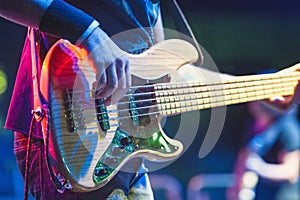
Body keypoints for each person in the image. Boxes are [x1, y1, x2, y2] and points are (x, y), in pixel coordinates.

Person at [0, 0, 300, 199]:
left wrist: (264, 88)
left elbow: (171, 75)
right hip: (65, 131)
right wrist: (89, 35)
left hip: (127, 156)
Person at [227, 101, 300, 200]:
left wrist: (261, 168)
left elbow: (291, 172)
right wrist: (236, 187)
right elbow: (243, 157)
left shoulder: (288, 128)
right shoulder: (252, 126)